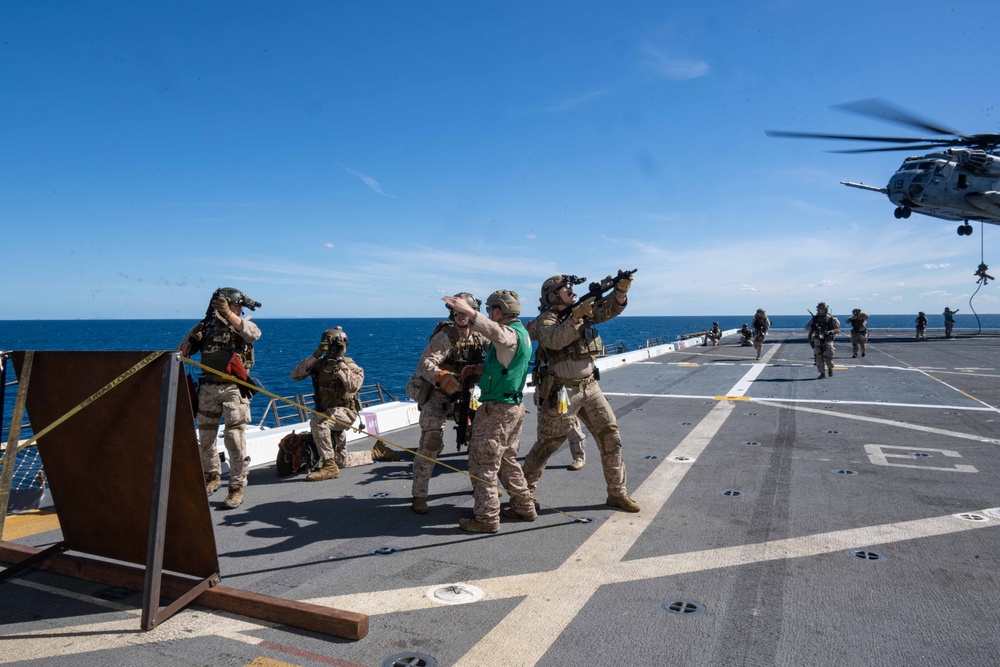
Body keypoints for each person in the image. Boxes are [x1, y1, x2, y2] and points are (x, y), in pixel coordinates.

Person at [523, 273, 641, 513]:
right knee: (547, 445)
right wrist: (576, 316)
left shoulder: (582, 311)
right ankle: (521, 496)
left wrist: (619, 293)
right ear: (553, 294)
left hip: (590, 386)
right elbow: (554, 340)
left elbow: (608, 311)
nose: (570, 290)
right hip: (561, 391)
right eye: (564, 288)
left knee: (611, 438)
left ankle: (617, 493)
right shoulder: (546, 320)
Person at [442, 290, 536, 533]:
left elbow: (493, 332)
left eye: (490, 310)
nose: (488, 314)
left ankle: (486, 518)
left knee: (482, 465)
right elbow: (503, 366)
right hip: (513, 406)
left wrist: (467, 311)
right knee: (507, 461)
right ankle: (524, 507)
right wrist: (476, 368)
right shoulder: (522, 335)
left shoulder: (506, 333)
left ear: (498, 310)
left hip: (497, 411)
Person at [178, 287, 262, 509]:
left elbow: (253, 334)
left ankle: (236, 487)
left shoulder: (242, 325)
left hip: (234, 387)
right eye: (237, 306)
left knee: (234, 438)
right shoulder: (205, 327)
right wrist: (191, 338)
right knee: (205, 438)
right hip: (208, 387)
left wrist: (229, 315)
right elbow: (181, 354)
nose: (241, 309)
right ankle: (211, 476)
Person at [409, 293, 489, 514]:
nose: (460, 315)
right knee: (431, 443)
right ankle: (419, 495)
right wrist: (442, 376)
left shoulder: (481, 334)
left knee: (476, 440)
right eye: (457, 311)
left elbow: (496, 353)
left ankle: (481, 487)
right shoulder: (446, 335)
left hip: (465, 394)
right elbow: (425, 363)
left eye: (464, 311)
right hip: (438, 395)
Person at [290, 326, 400, 482]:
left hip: (346, 414)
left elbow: (353, 385)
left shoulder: (350, 366)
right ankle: (377, 453)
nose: (331, 349)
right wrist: (315, 355)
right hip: (328, 413)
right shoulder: (318, 365)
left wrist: (340, 361)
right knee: (342, 460)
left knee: (318, 422)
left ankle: (329, 466)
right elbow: (295, 375)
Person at [527, 316, 587, 471]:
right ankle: (541, 453)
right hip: (546, 380)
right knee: (544, 417)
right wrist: (532, 326)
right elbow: (528, 337)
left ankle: (578, 455)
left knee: (569, 420)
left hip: (563, 382)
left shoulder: (566, 321)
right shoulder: (544, 322)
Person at [806, 302, 840, 379]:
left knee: (828, 356)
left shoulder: (831, 319)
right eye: (820, 309)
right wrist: (812, 326)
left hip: (827, 339)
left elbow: (838, 329)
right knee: (818, 357)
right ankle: (822, 373)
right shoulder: (815, 319)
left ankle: (830, 367)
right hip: (817, 340)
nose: (822, 310)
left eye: (823, 309)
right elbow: (807, 328)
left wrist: (831, 332)